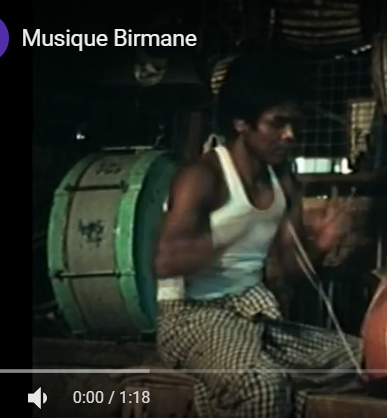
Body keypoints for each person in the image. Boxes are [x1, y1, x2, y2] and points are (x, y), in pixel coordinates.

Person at [153, 52, 362, 418]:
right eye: (277, 123)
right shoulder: (203, 176)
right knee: (261, 385)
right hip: (192, 318)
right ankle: (239, 377)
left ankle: (226, 383)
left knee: (365, 360)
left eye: (295, 123)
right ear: (241, 123)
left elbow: (290, 270)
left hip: (257, 317)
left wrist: (322, 243)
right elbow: (166, 262)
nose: (290, 135)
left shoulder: (282, 181)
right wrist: (231, 233)